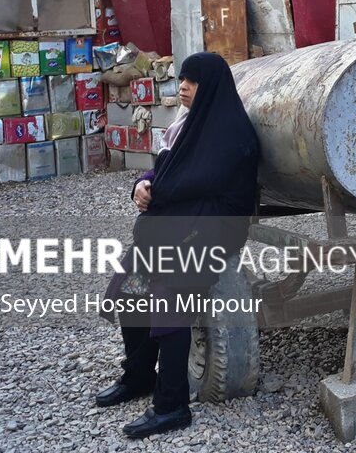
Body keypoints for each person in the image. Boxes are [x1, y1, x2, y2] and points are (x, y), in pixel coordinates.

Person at [95, 52, 260, 439]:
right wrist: (142, 185)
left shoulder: (231, 134)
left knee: (167, 299)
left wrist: (159, 191)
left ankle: (171, 405)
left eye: (192, 81)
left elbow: (193, 182)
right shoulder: (186, 124)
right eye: (182, 79)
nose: (182, 86)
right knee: (129, 288)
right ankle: (138, 377)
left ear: (211, 87)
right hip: (180, 223)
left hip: (211, 230)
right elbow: (163, 167)